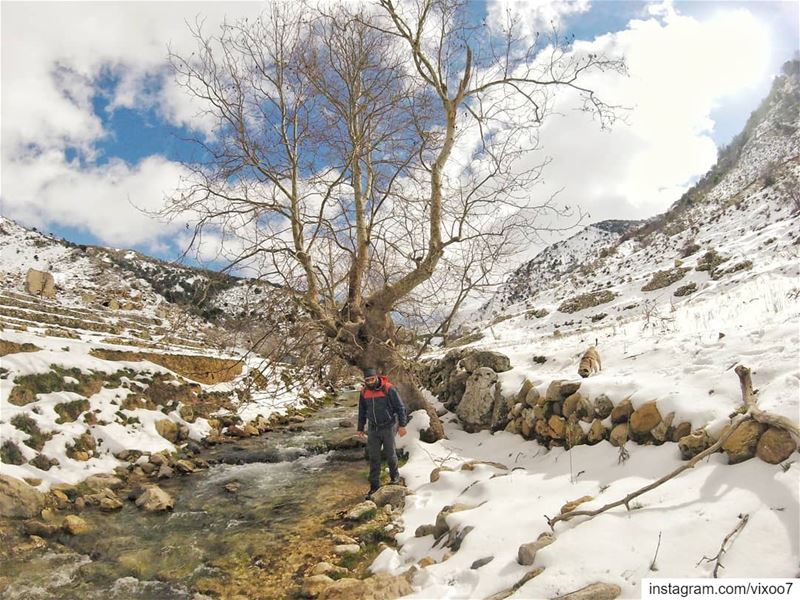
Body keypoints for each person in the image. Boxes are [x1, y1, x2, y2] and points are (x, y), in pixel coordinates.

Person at [356, 367, 408, 498]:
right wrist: (360, 428)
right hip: (373, 428)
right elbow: (362, 411)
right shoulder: (363, 392)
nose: (370, 382)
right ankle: (374, 486)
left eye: (372, 379)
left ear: (377, 377)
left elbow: (400, 407)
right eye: (367, 380)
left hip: (388, 426)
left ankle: (394, 478)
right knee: (374, 457)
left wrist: (402, 425)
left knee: (390, 454)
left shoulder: (388, 388)